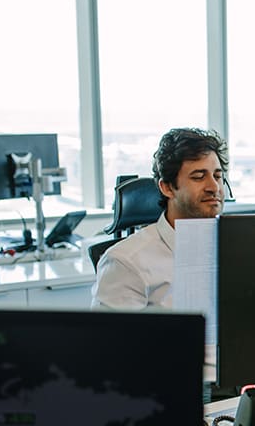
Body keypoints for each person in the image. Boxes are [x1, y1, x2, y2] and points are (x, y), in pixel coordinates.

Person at [92, 127, 227, 310]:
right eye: (198, 177)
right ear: (167, 188)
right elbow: (112, 338)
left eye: (218, 176)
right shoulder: (126, 261)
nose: (214, 187)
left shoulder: (235, 248)